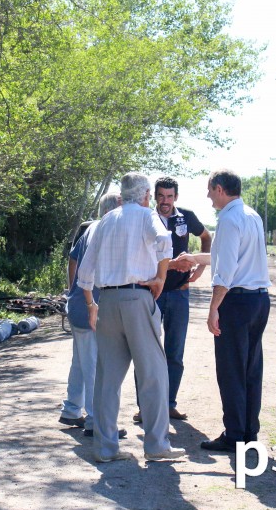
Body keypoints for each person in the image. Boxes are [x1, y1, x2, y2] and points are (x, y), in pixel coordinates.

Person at [76, 173, 186, 463]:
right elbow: (164, 241)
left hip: (107, 301)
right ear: (147, 194)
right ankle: (156, 444)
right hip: (138, 298)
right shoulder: (148, 216)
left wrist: (91, 305)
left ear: (122, 194)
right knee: (153, 374)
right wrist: (161, 277)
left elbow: (84, 272)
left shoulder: (106, 220)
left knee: (107, 380)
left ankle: (105, 448)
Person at [174, 170, 271, 452]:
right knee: (251, 369)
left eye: (209, 190)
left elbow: (226, 271)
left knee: (231, 369)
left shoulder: (228, 220)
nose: (207, 196)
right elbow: (227, 257)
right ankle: (249, 431)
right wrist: (194, 258)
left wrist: (213, 308)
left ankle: (234, 435)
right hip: (258, 300)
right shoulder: (251, 215)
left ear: (219, 189)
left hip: (237, 303)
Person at [134, 177, 212, 423]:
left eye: (169, 196)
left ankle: (169, 404)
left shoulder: (186, 217)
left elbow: (206, 236)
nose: (165, 201)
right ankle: (145, 407)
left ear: (176, 197)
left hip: (179, 293)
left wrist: (200, 267)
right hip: (150, 294)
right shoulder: (146, 218)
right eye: (161, 196)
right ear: (154, 196)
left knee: (175, 352)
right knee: (146, 352)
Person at [58, 193, 123, 438]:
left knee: (81, 362)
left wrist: (73, 289)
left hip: (79, 304)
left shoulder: (91, 228)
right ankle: (96, 420)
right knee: (95, 365)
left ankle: (71, 409)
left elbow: (72, 259)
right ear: (113, 210)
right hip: (91, 307)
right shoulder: (105, 230)